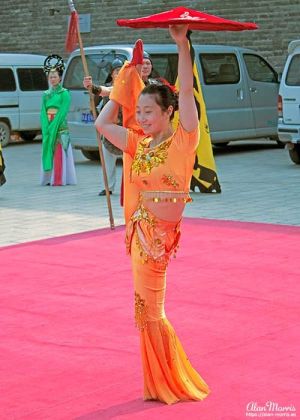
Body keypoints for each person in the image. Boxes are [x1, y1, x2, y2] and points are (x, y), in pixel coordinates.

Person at [95, 25, 210, 405]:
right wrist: (125, 80)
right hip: (140, 242)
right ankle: (160, 381)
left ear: (168, 112)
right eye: (139, 110)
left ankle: (168, 380)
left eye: (148, 111)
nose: (141, 117)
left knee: (150, 312)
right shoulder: (137, 144)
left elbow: (188, 95)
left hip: (158, 243)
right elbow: (102, 124)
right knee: (145, 313)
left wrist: (182, 46)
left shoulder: (182, 141)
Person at [83, 58, 123, 195]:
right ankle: (108, 187)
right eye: (117, 71)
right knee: (108, 162)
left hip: (126, 130)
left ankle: (129, 187)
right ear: (112, 73)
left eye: (121, 70)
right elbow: (97, 99)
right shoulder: (108, 87)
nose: (119, 73)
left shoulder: (129, 86)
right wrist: (91, 87)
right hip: (109, 129)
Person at [40, 55, 76, 186]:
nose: (53, 79)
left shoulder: (65, 93)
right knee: (48, 150)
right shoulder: (45, 94)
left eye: (55, 76)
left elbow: (63, 112)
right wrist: (46, 126)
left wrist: (53, 125)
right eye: (50, 77)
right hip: (48, 125)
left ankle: (59, 179)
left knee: (60, 152)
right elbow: (42, 112)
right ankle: (47, 178)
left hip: (59, 125)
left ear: (60, 78)